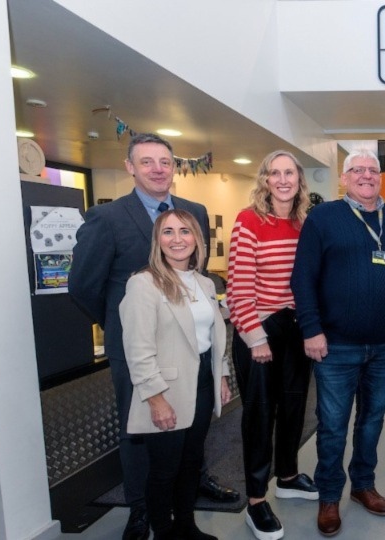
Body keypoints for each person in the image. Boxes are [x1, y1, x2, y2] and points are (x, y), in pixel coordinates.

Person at [69, 133, 237, 540]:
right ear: (130, 167)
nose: (158, 169)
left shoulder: (192, 211)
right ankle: (142, 511)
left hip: (193, 356)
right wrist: (122, 325)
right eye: (147, 162)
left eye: (165, 161)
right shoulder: (107, 218)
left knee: (188, 439)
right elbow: (83, 285)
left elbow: (198, 287)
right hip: (139, 351)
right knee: (141, 433)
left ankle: (187, 502)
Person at [290, 149, 385, 537]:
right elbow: (303, 278)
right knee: (332, 426)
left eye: (372, 170)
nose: (365, 175)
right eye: (356, 170)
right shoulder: (323, 217)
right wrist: (311, 329)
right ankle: (329, 495)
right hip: (336, 345)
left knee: (373, 418)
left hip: (383, 345)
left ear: (380, 177)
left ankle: (362, 484)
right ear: (344, 178)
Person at [119, 209, 230, 540]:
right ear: (157, 241)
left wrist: (221, 375)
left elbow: (213, 336)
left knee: (191, 463)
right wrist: (155, 398)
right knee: (164, 470)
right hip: (165, 389)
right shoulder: (144, 284)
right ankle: (165, 533)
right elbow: (137, 349)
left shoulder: (205, 283)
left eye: (185, 231)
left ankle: (186, 526)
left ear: (197, 238)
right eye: (168, 232)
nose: (177, 239)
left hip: (202, 383)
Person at [227, 151, 317, 540]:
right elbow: (237, 287)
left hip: (296, 326)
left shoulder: (306, 222)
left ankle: (288, 476)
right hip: (260, 327)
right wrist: (255, 338)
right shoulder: (249, 221)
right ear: (265, 179)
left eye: (290, 173)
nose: (283, 180)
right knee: (260, 417)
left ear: (299, 179)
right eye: (275, 173)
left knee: (295, 407)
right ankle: (257, 501)